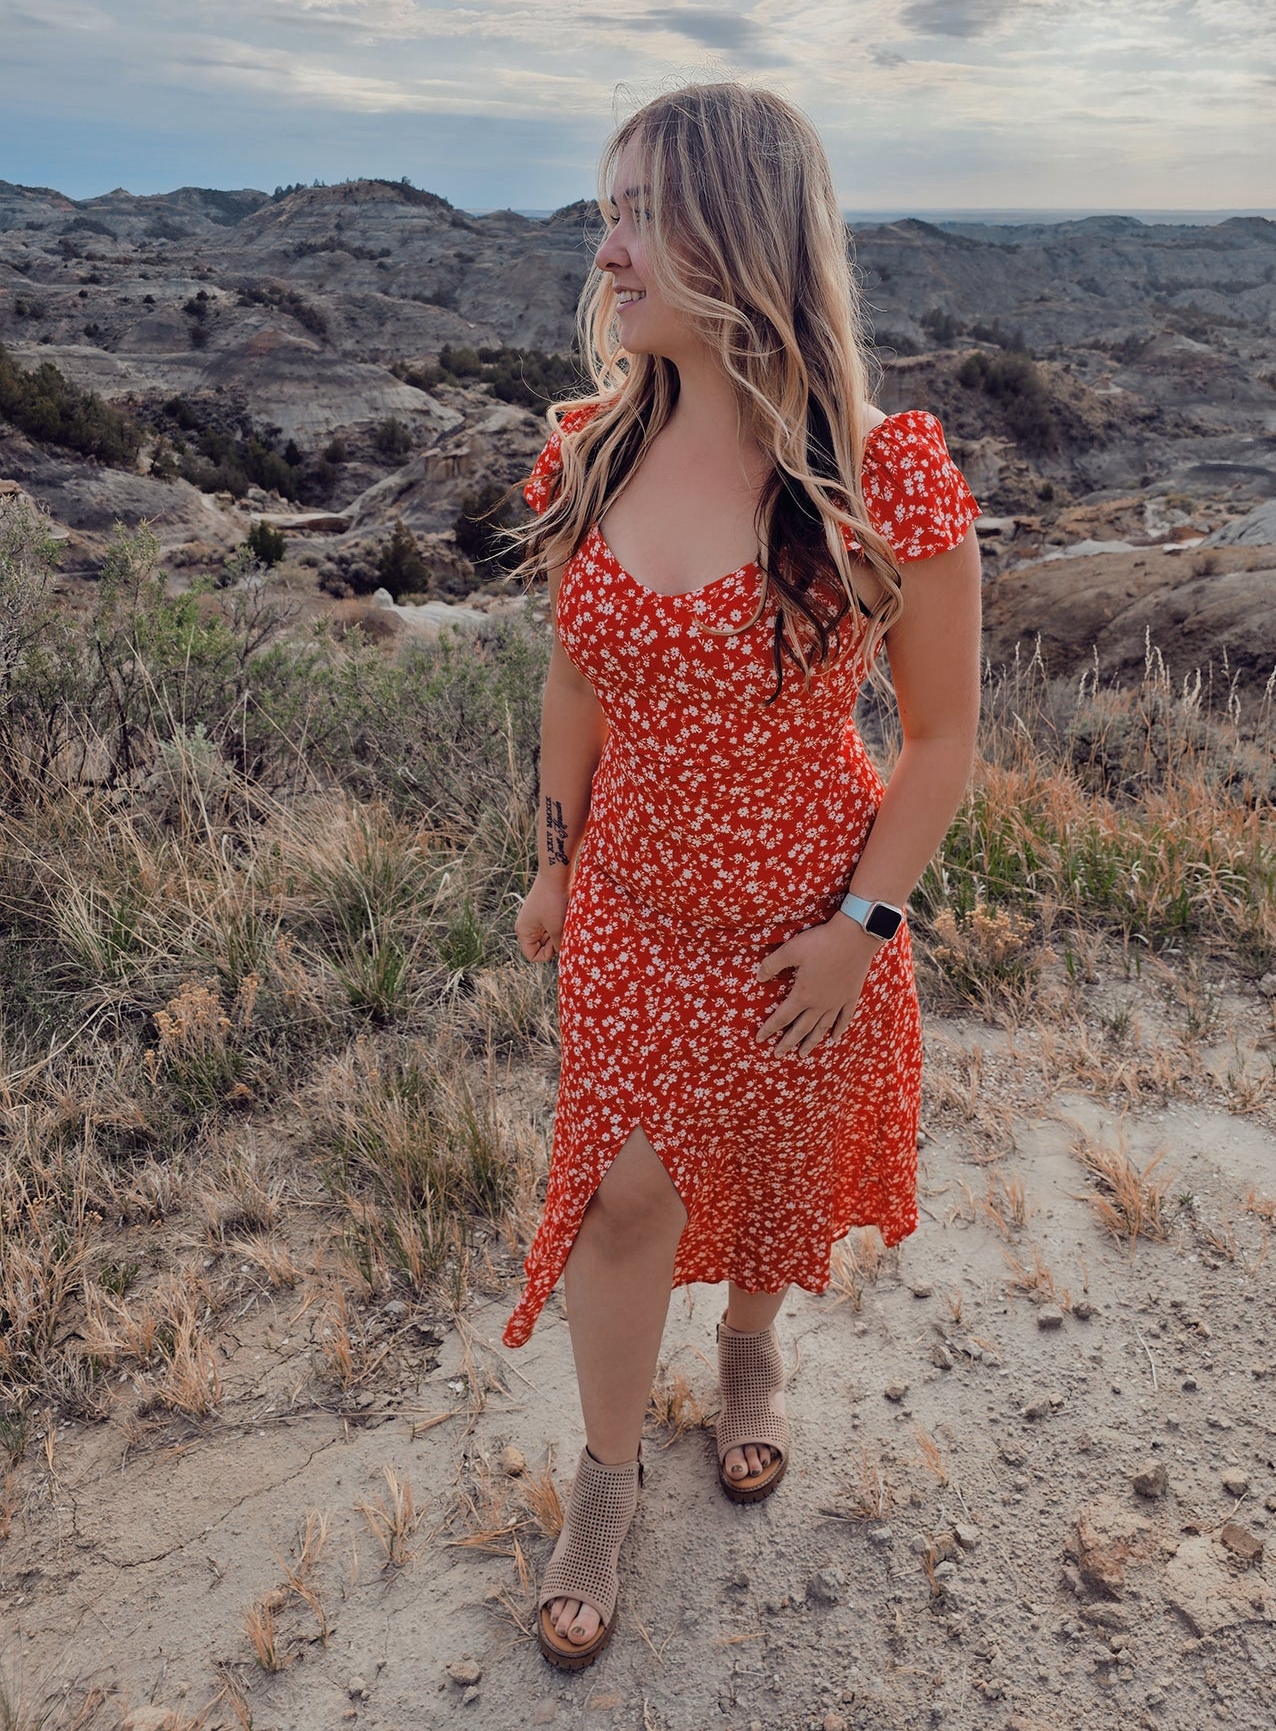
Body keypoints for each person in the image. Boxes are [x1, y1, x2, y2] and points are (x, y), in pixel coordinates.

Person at [507, 81, 982, 1671]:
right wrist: (553, 867)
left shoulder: (882, 479)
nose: (607, 250)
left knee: (778, 1158)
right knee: (622, 1195)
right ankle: (605, 1478)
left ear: (740, 236)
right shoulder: (589, 452)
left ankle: (752, 1350)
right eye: (608, 212)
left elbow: (939, 741)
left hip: (807, 917)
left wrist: (860, 928)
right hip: (632, 911)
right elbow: (575, 678)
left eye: (640, 214)